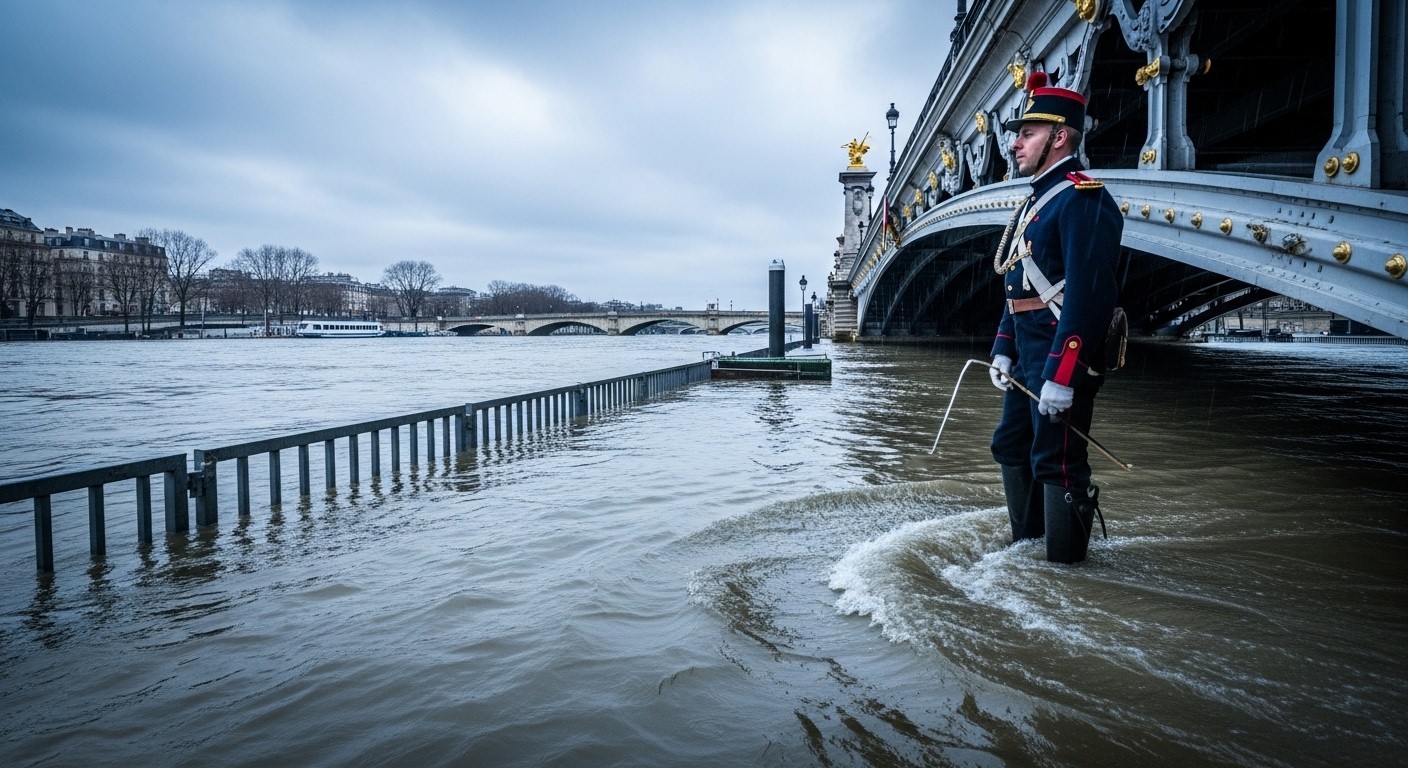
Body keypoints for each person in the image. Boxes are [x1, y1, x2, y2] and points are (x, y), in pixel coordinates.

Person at [987, 71, 1122, 563]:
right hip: (1027, 350)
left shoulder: (1084, 198)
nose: (1016, 144)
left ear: (1060, 137)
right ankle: (1027, 548)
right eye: (1018, 134)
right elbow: (1018, 284)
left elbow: (1089, 295)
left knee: (1060, 462)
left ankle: (1066, 569)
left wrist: (1063, 373)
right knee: (1010, 445)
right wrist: (1003, 346)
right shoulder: (1035, 202)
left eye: (1027, 133)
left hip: (1061, 352)